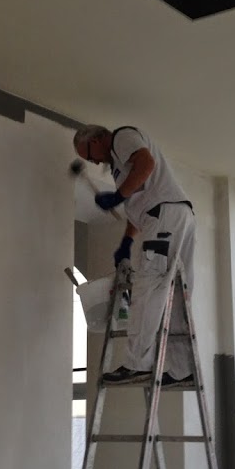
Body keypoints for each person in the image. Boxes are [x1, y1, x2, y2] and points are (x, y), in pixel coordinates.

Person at [72, 124, 195, 385]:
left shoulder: (122, 137)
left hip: (164, 217)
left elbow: (146, 164)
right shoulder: (120, 165)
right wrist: (126, 241)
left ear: (97, 139)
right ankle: (183, 369)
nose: (94, 162)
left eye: (90, 155)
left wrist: (118, 196)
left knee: (146, 289)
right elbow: (138, 206)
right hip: (175, 216)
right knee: (174, 296)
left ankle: (137, 365)